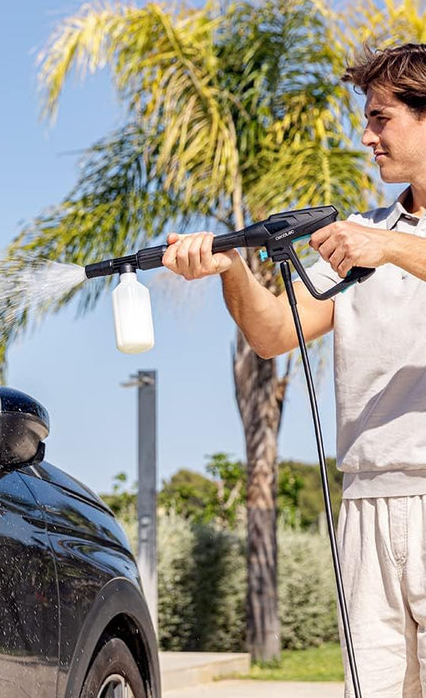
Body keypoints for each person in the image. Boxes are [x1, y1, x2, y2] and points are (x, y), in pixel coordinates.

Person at [162, 43, 426, 698]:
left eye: (381, 118)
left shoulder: (374, 239)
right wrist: (229, 271)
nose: (366, 137)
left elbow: (389, 249)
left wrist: (390, 246)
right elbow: (273, 332)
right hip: (365, 499)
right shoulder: (364, 234)